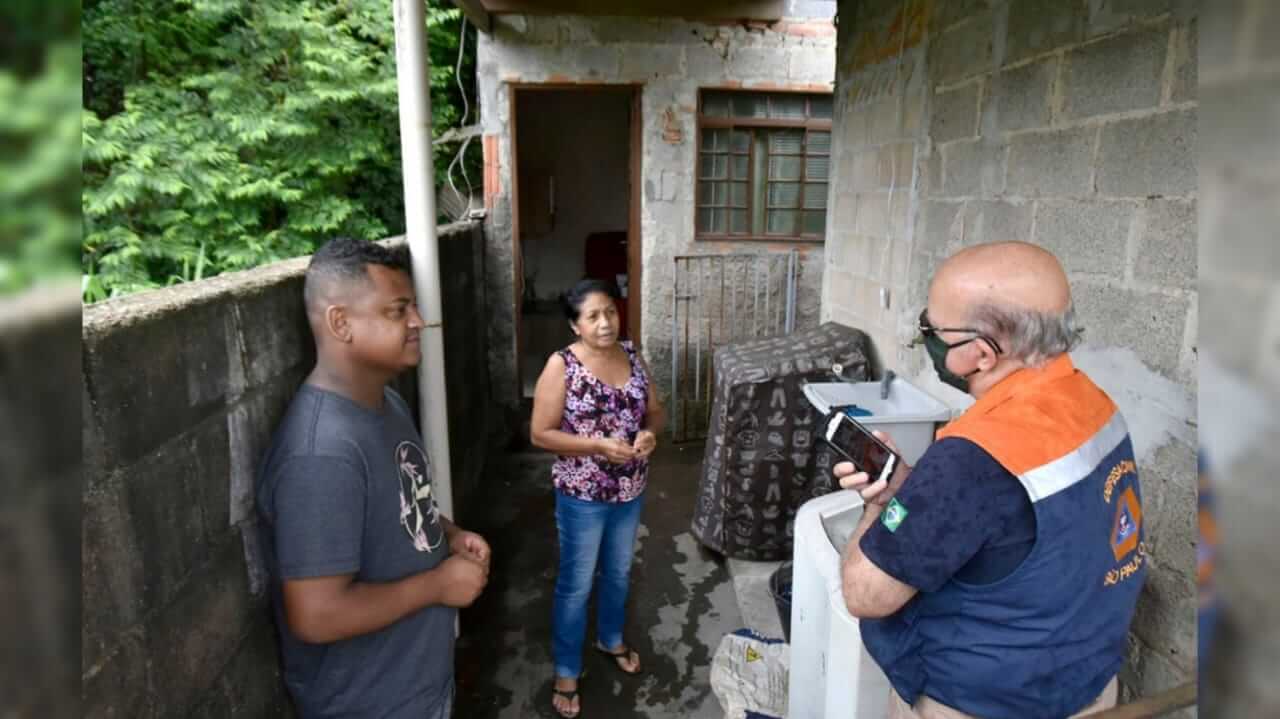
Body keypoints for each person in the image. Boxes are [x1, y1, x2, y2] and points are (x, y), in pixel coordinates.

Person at [834, 242, 1146, 719]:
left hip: (979, 703)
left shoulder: (970, 459)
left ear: (980, 354)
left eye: (932, 331)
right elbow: (1017, 527)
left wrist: (878, 503)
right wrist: (914, 492)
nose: (928, 341)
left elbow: (866, 595)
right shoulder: (1093, 404)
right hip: (1087, 685)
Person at [256, 237, 491, 719]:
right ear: (340, 323)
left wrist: (448, 534)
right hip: (372, 705)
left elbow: (403, 502)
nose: (417, 321)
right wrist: (438, 586)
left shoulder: (386, 402)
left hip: (418, 686)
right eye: (397, 310)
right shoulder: (321, 454)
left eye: (413, 307)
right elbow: (316, 614)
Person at [529, 279, 666, 719]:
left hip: (630, 489)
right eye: (593, 316)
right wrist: (596, 446)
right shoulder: (562, 366)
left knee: (619, 573)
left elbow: (655, 412)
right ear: (575, 325)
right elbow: (540, 434)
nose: (605, 322)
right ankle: (567, 671)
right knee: (577, 584)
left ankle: (611, 639)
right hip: (582, 495)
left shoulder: (632, 354)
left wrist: (649, 435)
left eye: (609, 311)